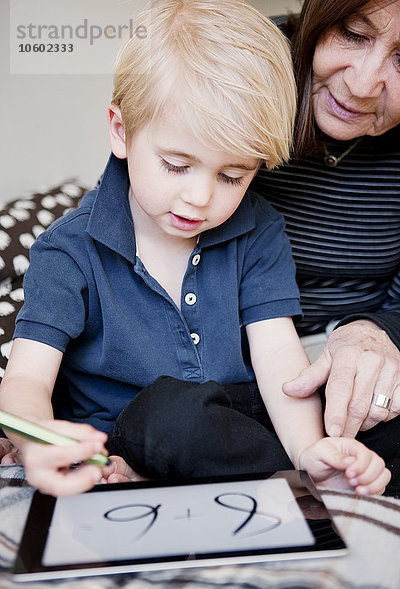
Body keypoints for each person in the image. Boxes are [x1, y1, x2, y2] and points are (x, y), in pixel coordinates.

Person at [0, 0, 389, 497]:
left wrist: (310, 452)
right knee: (172, 420)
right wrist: (37, 441)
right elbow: (25, 381)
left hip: (233, 420)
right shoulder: (68, 250)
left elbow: (282, 366)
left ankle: (284, 470)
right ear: (121, 130)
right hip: (130, 430)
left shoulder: (258, 230)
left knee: (369, 429)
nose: (200, 198)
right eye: (177, 165)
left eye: (232, 176)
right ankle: (172, 470)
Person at [250, 0, 400, 464]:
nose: (361, 84)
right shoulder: (241, 65)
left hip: (366, 365)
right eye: (354, 33)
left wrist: (376, 332)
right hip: (220, 356)